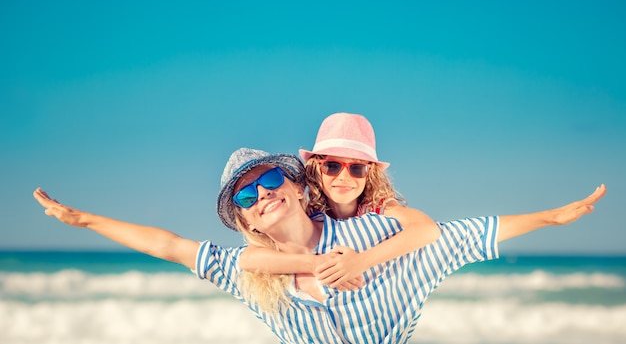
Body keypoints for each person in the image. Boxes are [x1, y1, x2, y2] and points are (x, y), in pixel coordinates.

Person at [33, 147, 606, 344]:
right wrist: (84, 220)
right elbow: (171, 246)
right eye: (247, 194)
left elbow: (464, 234)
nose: (262, 194)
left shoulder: (370, 234)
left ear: (295, 184)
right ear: (243, 217)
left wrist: (554, 216)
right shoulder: (250, 274)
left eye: (269, 181)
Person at [238, 112, 441, 289]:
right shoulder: (311, 212)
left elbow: (427, 229)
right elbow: (247, 258)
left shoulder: (378, 206)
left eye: (357, 168)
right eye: (333, 166)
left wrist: (360, 262)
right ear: (317, 168)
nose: (344, 177)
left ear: (369, 174)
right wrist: (314, 264)